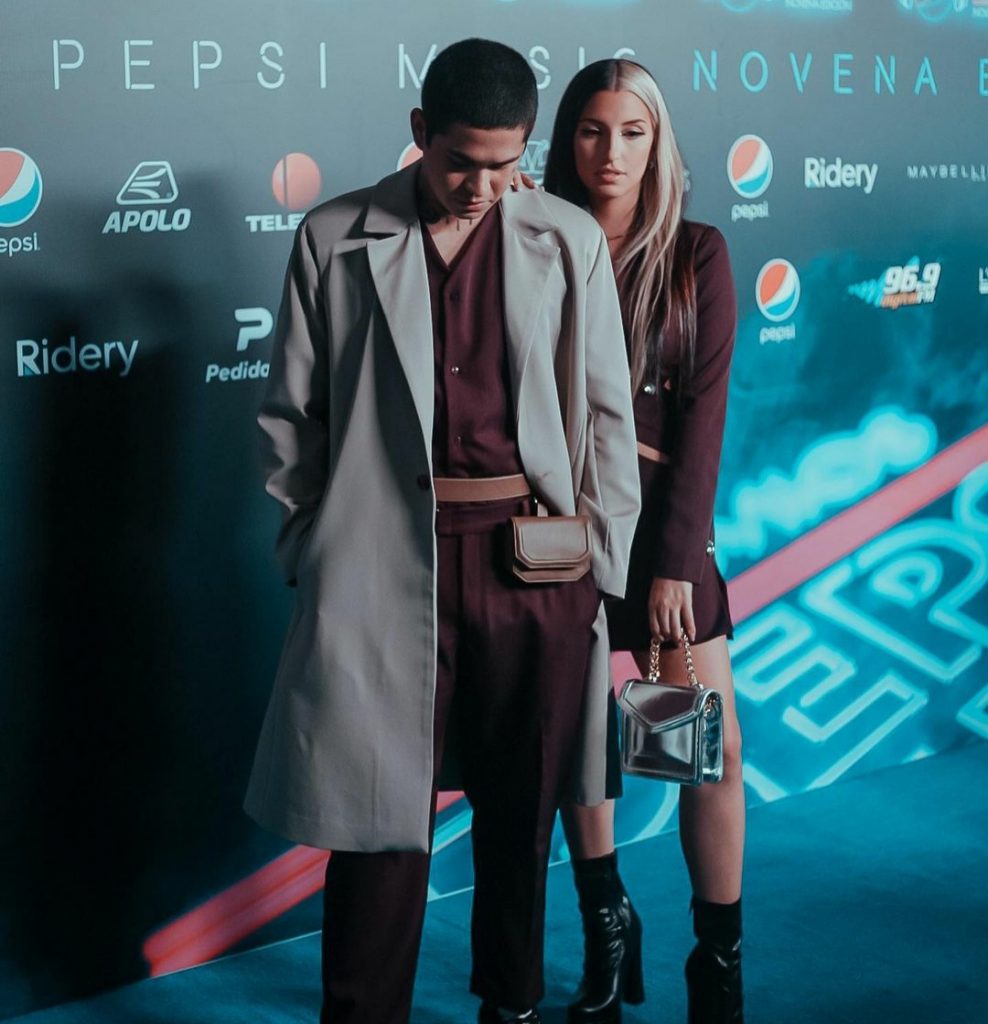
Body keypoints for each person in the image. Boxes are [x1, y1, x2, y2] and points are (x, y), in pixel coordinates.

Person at [243, 39, 641, 1024]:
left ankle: (511, 1003)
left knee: (523, 813)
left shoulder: (565, 237)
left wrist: (599, 579)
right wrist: (312, 550)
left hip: (536, 569)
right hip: (379, 563)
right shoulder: (334, 236)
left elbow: (605, 419)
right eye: (463, 161)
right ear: (421, 133)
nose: (484, 186)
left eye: (507, 164)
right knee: (376, 824)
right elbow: (291, 417)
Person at [543, 60, 744, 1024]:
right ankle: (607, 926)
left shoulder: (697, 252)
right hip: (560, 528)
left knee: (710, 747)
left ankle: (719, 959)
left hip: (664, 534)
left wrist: (673, 564)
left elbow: (703, 422)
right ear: (567, 140)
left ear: (658, 141)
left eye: (632, 131)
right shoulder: (536, 237)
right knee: (582, 739)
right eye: (592, 129)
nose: (611, 151)